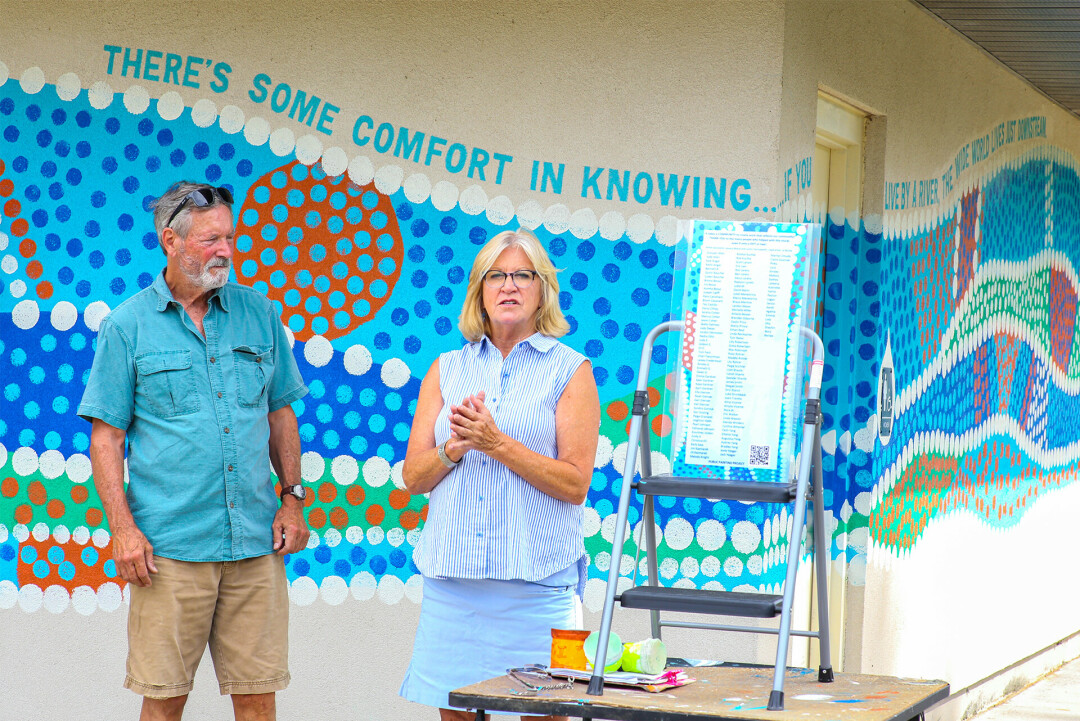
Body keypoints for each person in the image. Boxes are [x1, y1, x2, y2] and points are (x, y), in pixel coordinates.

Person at [77, 181, 310, 721]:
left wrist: (293, 499)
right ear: (170, 241)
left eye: (229, 237)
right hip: (169, 553)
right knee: (163, 702)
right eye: (210, 239)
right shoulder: (127, 326)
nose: (225, 250)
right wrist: (123, 530)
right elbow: (106, 438)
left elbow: (280, 413)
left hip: (254, 544)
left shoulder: (258, 314)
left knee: (258, 698)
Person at [399, 228, 601, 721]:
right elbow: (413, 476)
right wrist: (454, 447)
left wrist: (497, 444)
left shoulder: (570, 370)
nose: (508, 286)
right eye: (496, 276)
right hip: (455, 586)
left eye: (522, 275)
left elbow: (576, 484)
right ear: (480, 292)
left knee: (544, 713)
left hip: (535, 591)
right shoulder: (446, 368)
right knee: (456, 714)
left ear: (542, 291)